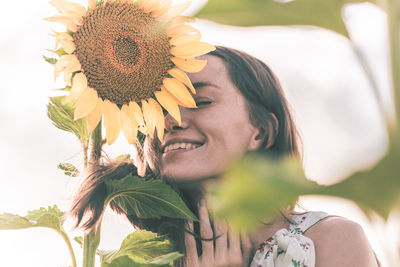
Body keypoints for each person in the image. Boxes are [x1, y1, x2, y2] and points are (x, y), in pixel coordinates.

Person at [70, 46, 380, 266]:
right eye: (160, 109)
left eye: (201, 101)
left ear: (260, 131)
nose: (171, 121)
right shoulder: (145, 259)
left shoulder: (329, 241)